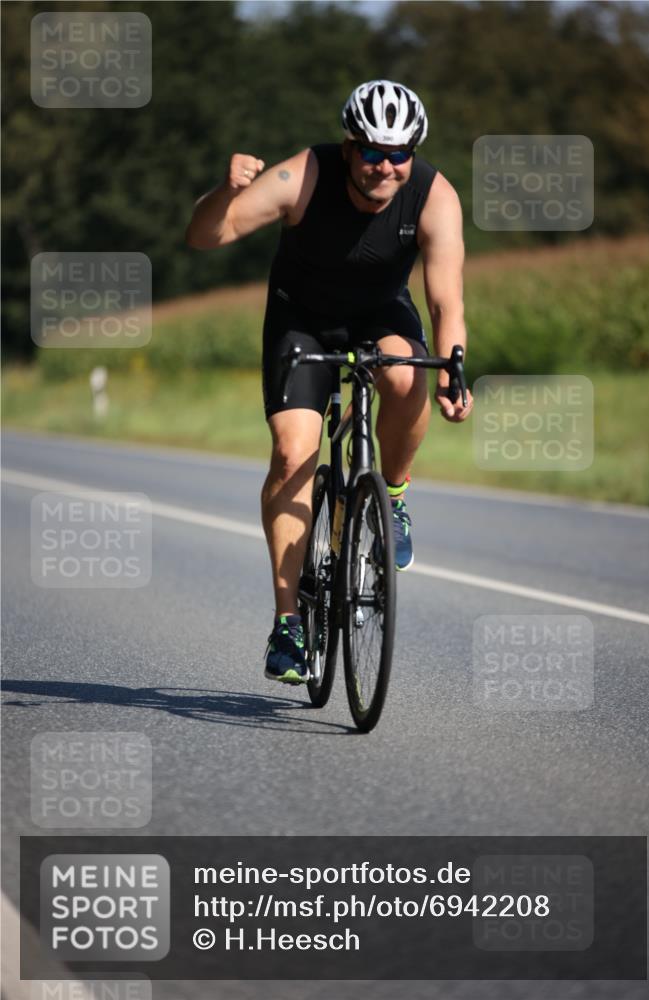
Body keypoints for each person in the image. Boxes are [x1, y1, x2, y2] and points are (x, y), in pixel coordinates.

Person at [186, 79, 473, 685]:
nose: (385, 166)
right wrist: (225, 190)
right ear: (348, 147)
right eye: (371, 151)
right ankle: (288, 624)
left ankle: (392, 496)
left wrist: (454, 369)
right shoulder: (303, 177)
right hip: (302, 320)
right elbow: (205, 235)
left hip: (381, 313)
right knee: (293, 454)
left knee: (404, 376)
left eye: (399, 154)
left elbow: (447, 301)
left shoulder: (434, 196)